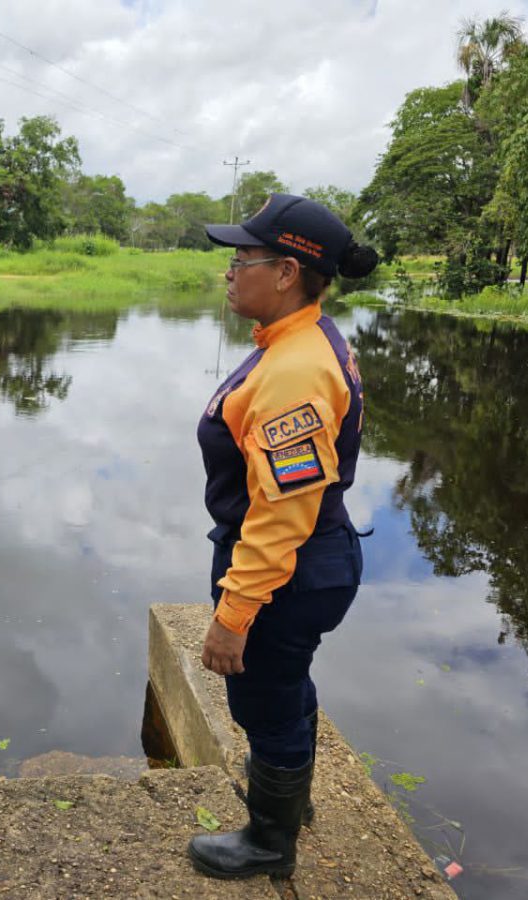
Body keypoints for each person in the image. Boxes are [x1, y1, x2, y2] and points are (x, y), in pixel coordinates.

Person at [187, 194, 378, 880]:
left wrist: (235, 613)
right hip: (310, 558)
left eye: (244, 257)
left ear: (289, 271)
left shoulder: (296, 368)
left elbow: (283, 512)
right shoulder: (296, 341)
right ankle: (291, 805)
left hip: (289, 569)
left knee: (263, 699)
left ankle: (270, 842)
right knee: (285, 685)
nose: (230, 270)